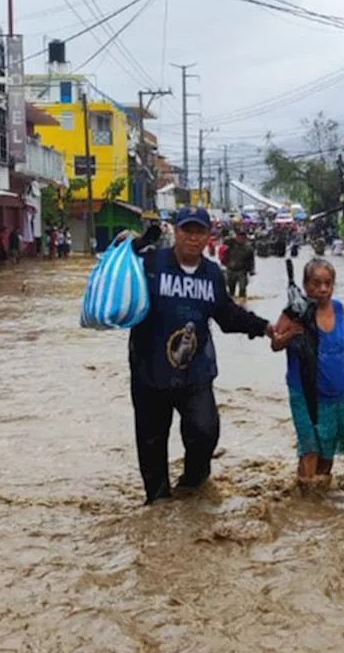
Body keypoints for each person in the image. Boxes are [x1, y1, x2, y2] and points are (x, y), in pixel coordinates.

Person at [126, 206, 276, 505]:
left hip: (195, 372)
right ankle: (158, 505)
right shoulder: (150, 263)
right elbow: (114, 269)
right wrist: (132, 242)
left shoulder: (212, 274)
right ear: (176, 232)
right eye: (187, 230)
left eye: (200, 232)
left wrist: (265, 327)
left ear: (209, 236)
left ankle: (192, 485)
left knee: (205, 431)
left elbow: (227, 315)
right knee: (151, 441)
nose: (193, 238)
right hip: (149, 371)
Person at [270, 259, 344, 480]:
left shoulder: (339, 309)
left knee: (327, 454)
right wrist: (290, 333)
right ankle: (305, 504)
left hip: (337, 394)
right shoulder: (295, 312)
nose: (322, 289)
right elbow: (275, 344)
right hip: (305, 394)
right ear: (305, 285)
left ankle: (320, 506)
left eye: (328, 283)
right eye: (316, 283)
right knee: (310, 450)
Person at [223, 228, 256, 300]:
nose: (240, 239)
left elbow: (251, 261)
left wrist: (251, 270)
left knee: (242, 289)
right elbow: (224, 245)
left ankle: (242, 305)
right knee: (231, 290)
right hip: (231, 270)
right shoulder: (231, 245)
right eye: (239, 237)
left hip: (242, 271)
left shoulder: (249, 249)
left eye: (242, 237)